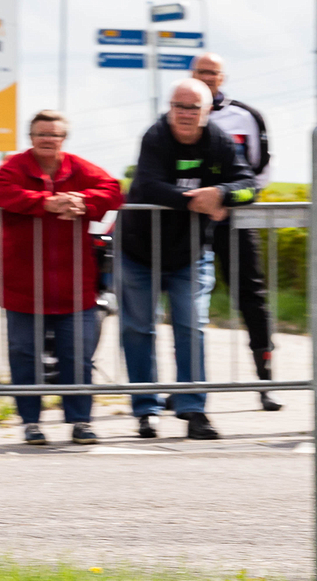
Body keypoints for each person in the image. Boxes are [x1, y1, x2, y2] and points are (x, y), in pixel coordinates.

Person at [121, 79, 258, 440]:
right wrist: (198, 201)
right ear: (170, 108)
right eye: (178, 106)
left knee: (191, 328)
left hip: (189, 254)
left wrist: (222, 193)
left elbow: (249, 186)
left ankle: (193, 409)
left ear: (208, 110)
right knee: (138, 330)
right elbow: (147, 186)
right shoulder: (155, 136)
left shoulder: (219, 141)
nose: (184, 114)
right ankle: (146, 410)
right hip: (138, 251)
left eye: (193, 107)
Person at [0, 111, 124, 445]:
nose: (47, 140)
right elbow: (4, 191)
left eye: (54, 134)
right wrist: (48, 204)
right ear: (30, 137)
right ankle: (30, 423)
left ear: (63, 138)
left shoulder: (79, 167)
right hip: (24, 285)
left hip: (75, 285)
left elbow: (113, 190)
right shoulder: (13, 167)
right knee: (24, 355)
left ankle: (81, 422)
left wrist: (83, 201)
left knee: (78, 356)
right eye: (41, 133)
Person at [191, 52, 282, 412]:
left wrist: (229, 200)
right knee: (186, 301)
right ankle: (184, 387)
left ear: (223, 78)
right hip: (191, 220)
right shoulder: (180, 112)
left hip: (237, 220)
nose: (207, 78)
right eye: (201, 72)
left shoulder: (246, 116)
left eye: (213, 73)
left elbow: (262, 171)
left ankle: (266, 382)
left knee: (252, 299)